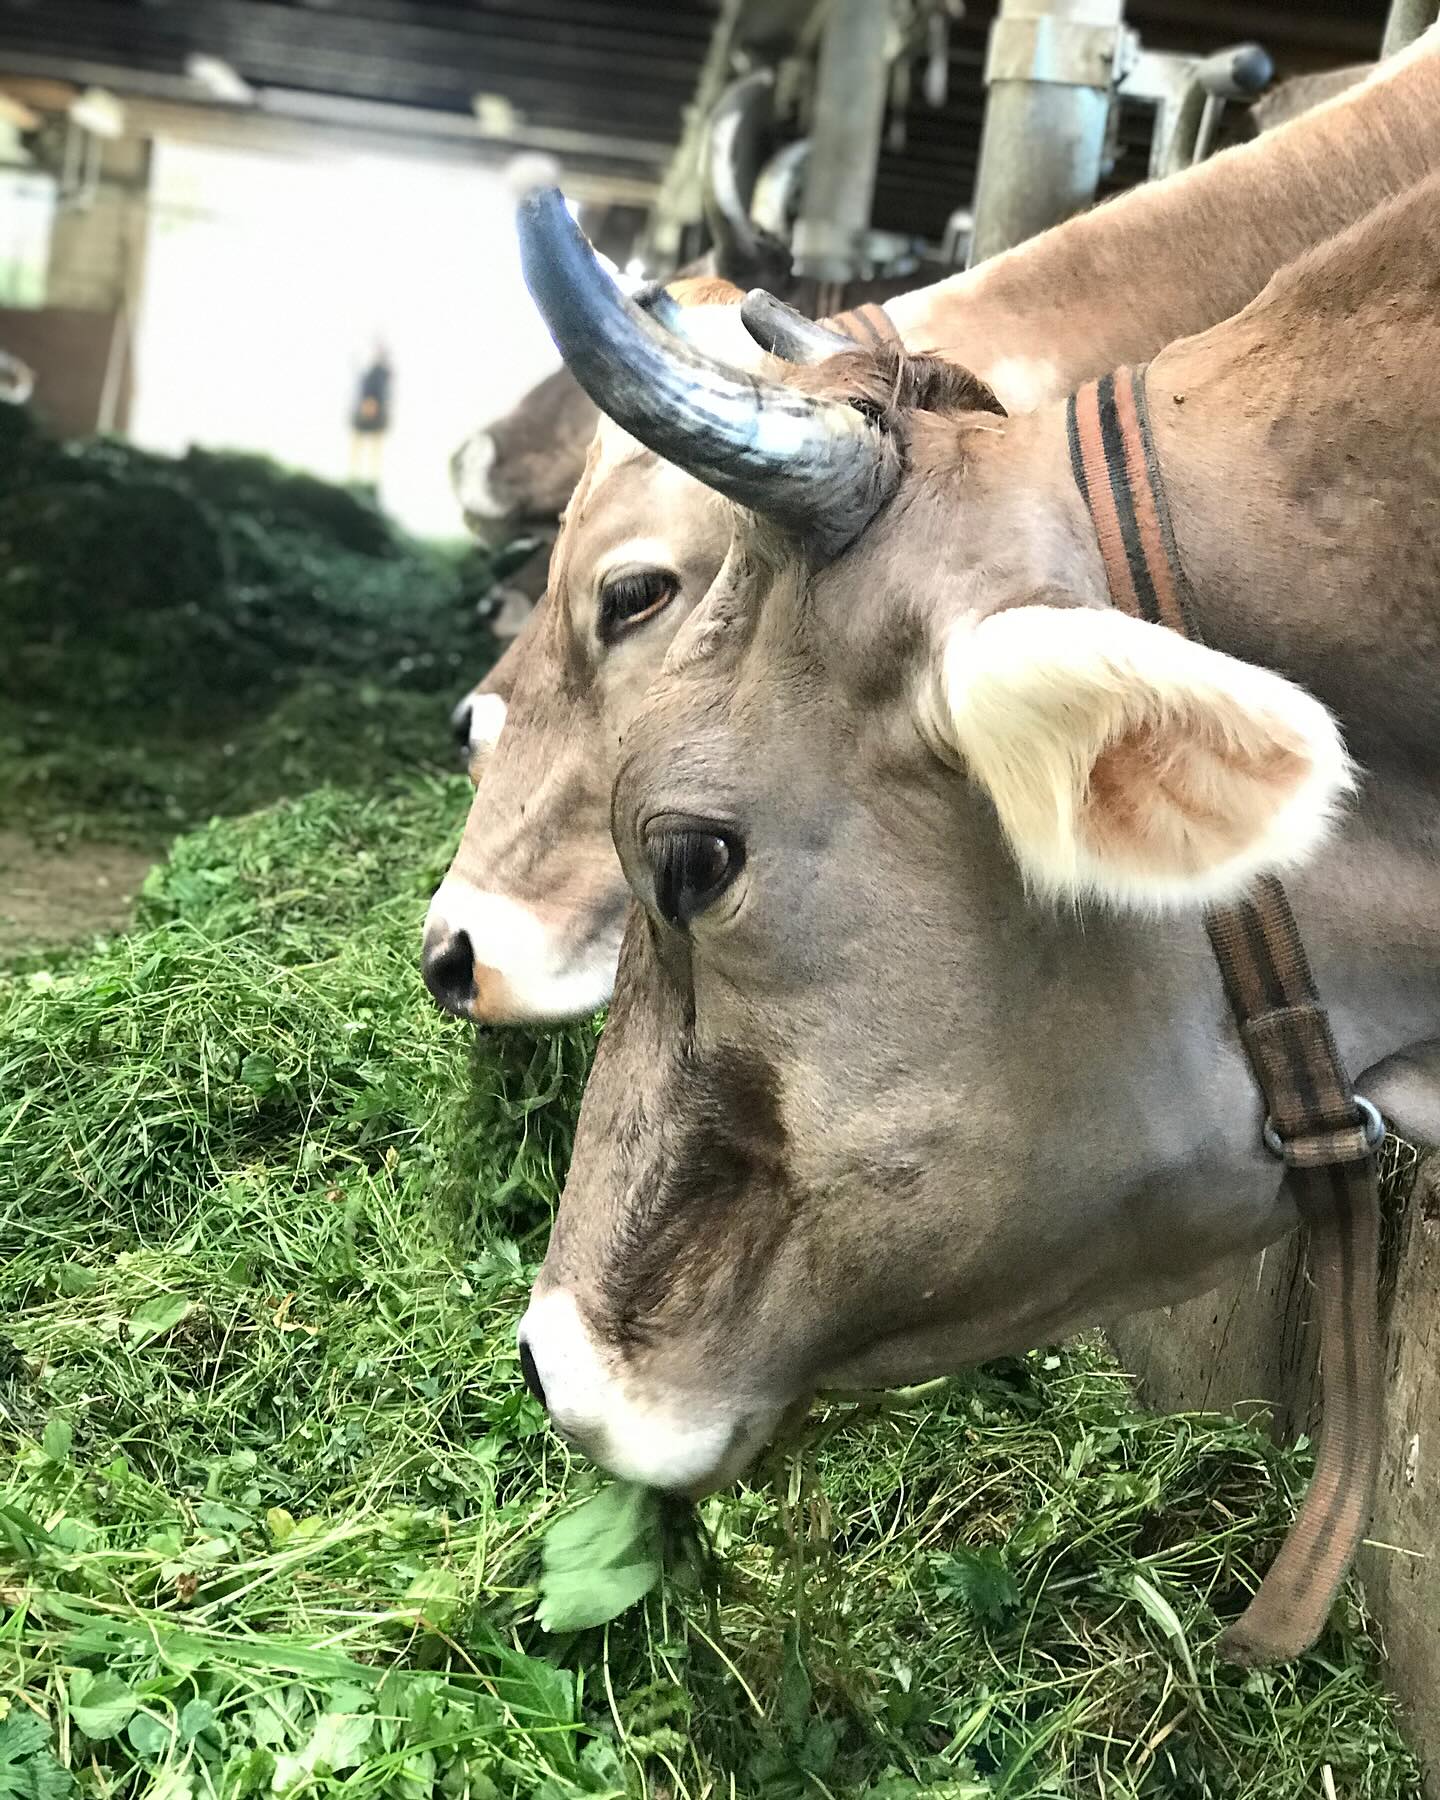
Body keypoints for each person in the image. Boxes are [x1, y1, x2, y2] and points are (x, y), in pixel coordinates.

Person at [349, 342, 392, 490]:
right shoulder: (371, 372)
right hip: (367, 414)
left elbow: (380, 394)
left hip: (376, 415)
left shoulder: (381, 373)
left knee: (373, 448)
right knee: (360, 446)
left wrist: (373, 405)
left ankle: (371, 478)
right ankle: (355, 475)